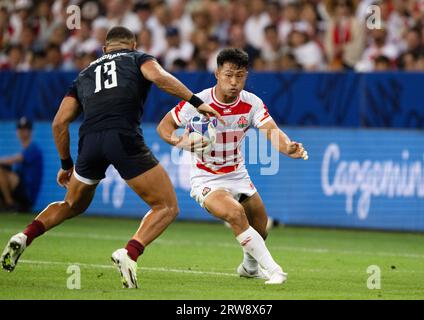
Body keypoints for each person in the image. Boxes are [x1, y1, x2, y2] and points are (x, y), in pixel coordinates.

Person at [0, 26, 223, 288]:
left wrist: (65, 164)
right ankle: (130, 253)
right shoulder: (138, 58)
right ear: (133, 44)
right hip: (122, 137)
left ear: (105, 49)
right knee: (166, 206)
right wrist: (197, 102)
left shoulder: (84, 74)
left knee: (71, 204)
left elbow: (59, 123)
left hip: (90, 141)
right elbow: (160, 77)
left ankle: (25, 235)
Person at [157, 48, 308, 284]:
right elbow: (163, 128)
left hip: (237, 174)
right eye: (228, 75)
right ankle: (275, 270)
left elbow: (271, 131)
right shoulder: (198, 102)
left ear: (246, 75)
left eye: (240, 76)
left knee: (260, 225)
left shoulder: (251, 103)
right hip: (206, 178)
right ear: (217, 73)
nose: (234, 82)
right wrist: (180, 141)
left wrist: (287, 147)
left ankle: (249, 268)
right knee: (235, 214)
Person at [0, 117, 43, 212]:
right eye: (20, 130)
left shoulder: (34, 149)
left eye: (25, 130)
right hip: (21, 191)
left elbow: (15, 159)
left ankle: (10, 203)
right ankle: (5, 204)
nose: (23, 133)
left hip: (27, 194)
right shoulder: (26, 149)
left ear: (31, 132)